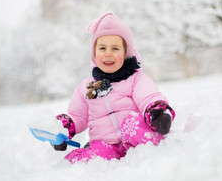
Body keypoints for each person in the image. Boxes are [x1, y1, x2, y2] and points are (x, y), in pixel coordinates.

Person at [53, 11, 176, 163]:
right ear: (94, 53)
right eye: (102, 48)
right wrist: (63, 128)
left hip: (136, 139)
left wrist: (157, 114)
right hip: (106, 145)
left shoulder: (135, 79)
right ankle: (81, 159)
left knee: (132, 123)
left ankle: (156, 145)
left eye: (115, 49)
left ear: (126, 53)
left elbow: (148, 97)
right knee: (93, 155)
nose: (108, 54)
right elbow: (78, 116)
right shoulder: (86, 88)